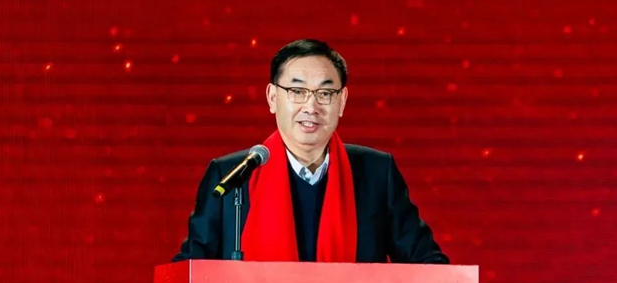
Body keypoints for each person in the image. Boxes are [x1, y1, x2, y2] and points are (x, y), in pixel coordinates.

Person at [172, 38, 449, 264]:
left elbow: (428, 264)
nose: (311, 107)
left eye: (324, 94)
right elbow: (191, 272)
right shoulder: (232, 176)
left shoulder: (376, 174)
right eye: (297, 91)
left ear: (342, 102)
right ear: (272, 97)